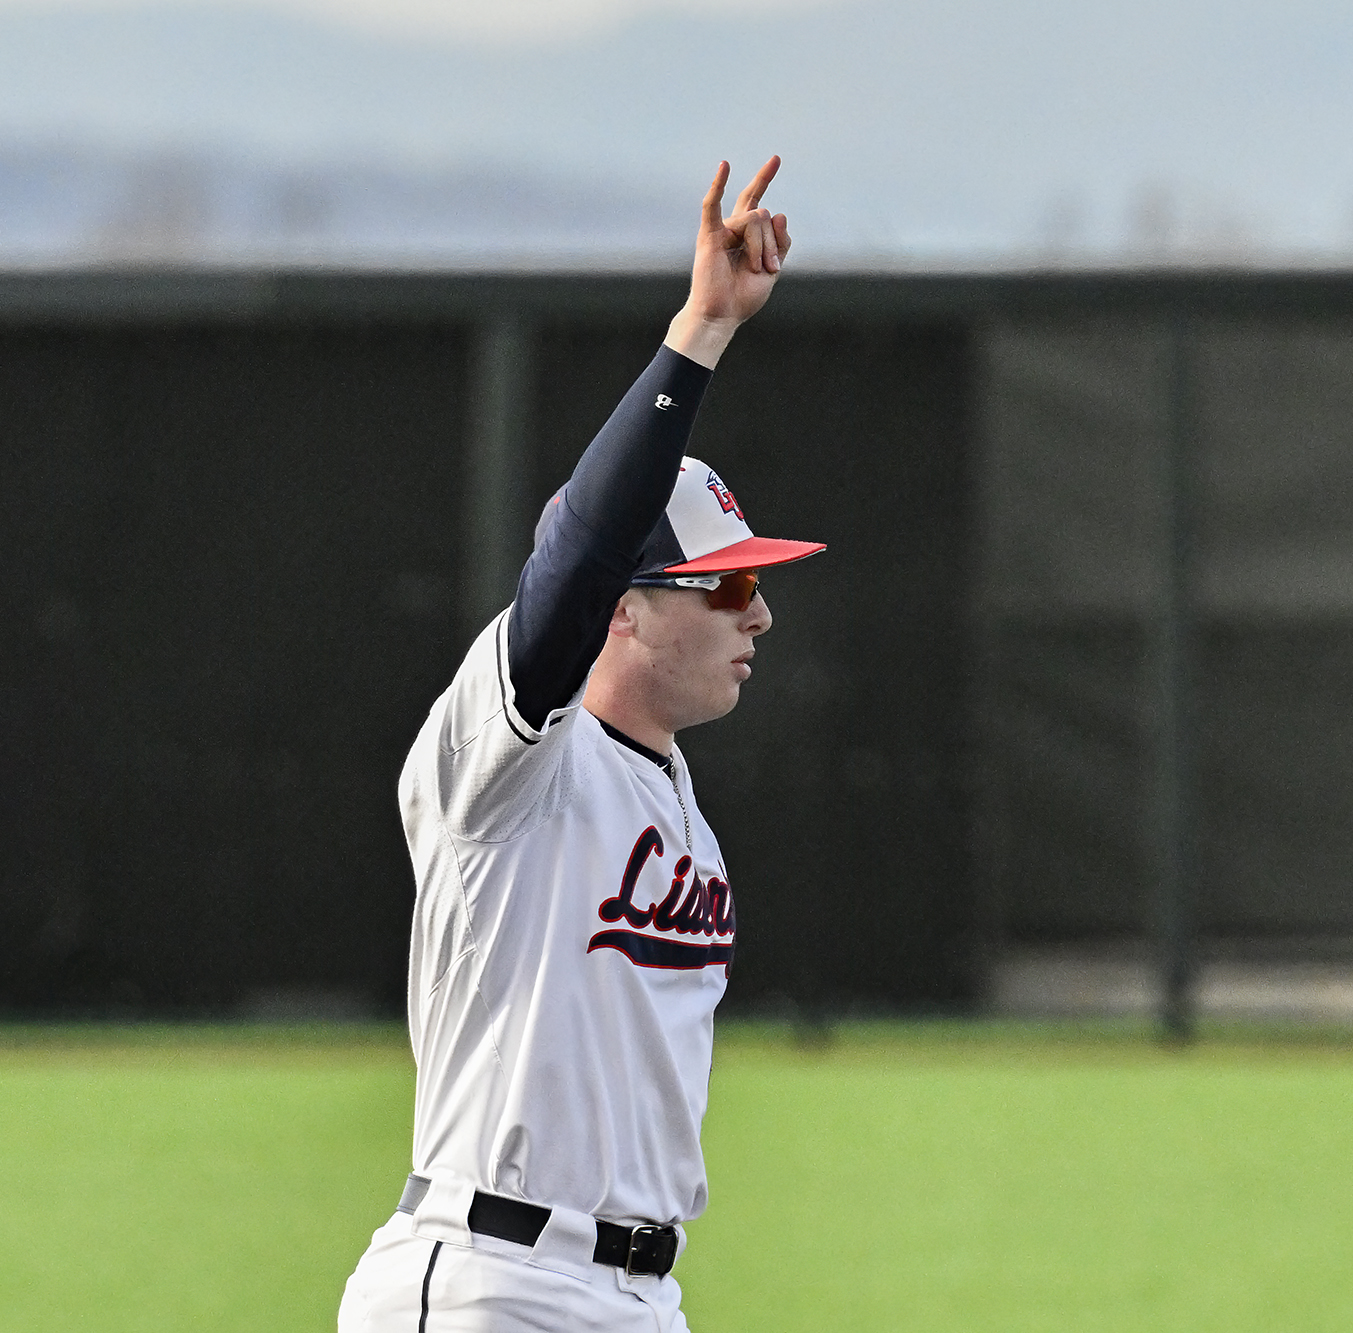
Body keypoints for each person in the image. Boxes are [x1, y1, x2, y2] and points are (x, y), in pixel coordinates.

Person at [338, 156, 823, 1333]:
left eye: (751, 588)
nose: (755, 612)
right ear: (622, 604)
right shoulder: (506, 767)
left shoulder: (668, 790)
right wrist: (701, 328)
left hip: (635, 1294)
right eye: (719, 589)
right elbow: (574, 557)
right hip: (491, 1280)